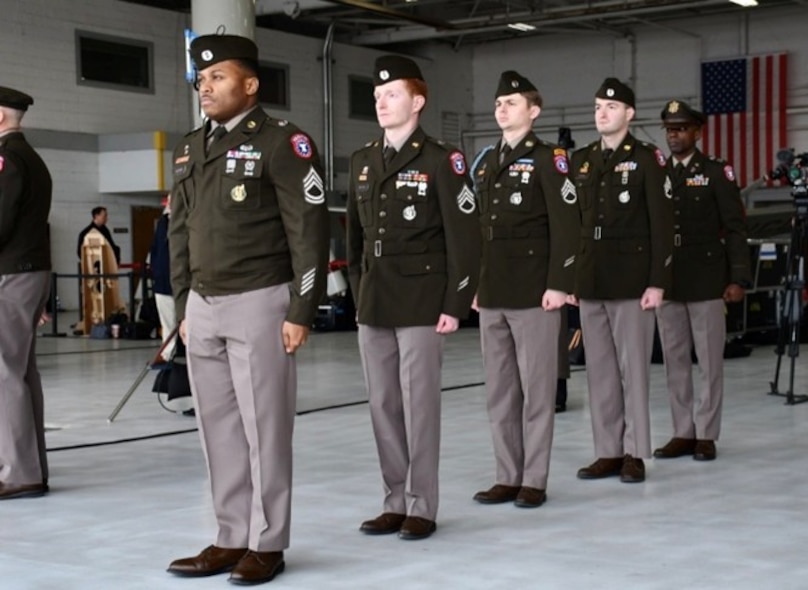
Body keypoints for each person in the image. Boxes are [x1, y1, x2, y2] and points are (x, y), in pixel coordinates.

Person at [166, 33, 329, 584]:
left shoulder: (283, 142)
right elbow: (180, 231)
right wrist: (183, 304)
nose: (205, 86)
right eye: (201, 78)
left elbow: (309, 230)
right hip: (204, 307)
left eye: (217, 77)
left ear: (250, 85)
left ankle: (268, 541)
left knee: (265, 431)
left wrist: (302, 308)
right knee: (218, 432)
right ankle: (229, 536)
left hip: (261, 301)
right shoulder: (191, 147)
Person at [347, 55, 479, 540]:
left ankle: (423, 504)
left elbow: (465, 238)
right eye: (378, 96)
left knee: (419, 405)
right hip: (376, 300)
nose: (382, 102)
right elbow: (355, 239)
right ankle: (393, 500)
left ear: (417, 102)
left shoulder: (442, 159)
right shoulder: (364, 159)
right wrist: (359, 293)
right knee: (383, 404)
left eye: (393, 94)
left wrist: (455, 303)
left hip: (424, 299)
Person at [470, 71, 580, 508]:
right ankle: (506, 475)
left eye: (511, 103)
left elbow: (567, 226)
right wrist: (475, 285)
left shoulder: (549, 158)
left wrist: (560, 284)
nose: (502, 109)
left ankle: (533, 479)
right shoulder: (487, 160)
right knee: (500, 391)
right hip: (494, 291)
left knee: (537, 392)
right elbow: (479, 229)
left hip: (536, 293)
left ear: (533, 111)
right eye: (498, 103)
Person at [570, 78, 673, 484]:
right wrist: (572, 276)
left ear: (629, 113)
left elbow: (663, 226)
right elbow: (575, 225)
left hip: (633, 281)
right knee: (599, 372)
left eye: (611, 107)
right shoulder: (581, 161)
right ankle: (607, 451)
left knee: (634, 372)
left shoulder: (648, 159)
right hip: (592, 279)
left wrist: (657, 282)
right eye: (597, 106)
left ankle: (634, 452)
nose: (602, 113)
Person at [652, 100, 751, 462]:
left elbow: (737, 228)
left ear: (697, 131)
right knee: (674, 360)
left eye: (681, 128)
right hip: (669, 279)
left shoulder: (715, 172)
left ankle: (706, 433)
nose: (673, 134)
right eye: (669, 128)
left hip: (708, 277)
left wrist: (738, 277)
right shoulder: (658, 173)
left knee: (709, 361)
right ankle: (683, 431)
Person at [0, 86, 52, 500]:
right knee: (20, 370)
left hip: (10, 273)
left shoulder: (8, 159)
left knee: (4, 371)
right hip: (29, 270)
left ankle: (18, 472)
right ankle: (31, 466)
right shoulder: (31, 158)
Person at [149, 194, 175, 361]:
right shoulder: (162, 224)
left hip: (178, 280)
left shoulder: (185, 221)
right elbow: (155, 250)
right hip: (162, 280)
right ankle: (167, 353)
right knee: (167, 321)